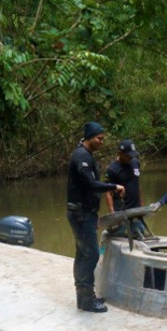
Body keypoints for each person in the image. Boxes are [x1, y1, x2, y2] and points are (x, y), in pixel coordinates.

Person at [66, 121, 125, 313]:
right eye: (99, 138)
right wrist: (113, 186)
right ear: (89, 137)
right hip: (81, 214)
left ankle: (83, 298)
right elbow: (91, 184)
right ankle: (87, 300)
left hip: (84, 213)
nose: (102, 142)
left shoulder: (85, 155)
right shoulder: (81, 156)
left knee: (83, 254)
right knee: (90, 254)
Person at [104, 139, 147, 239]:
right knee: (120, 236)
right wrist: (112, 213)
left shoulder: (136, 163)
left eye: (132, 155)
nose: (130, 158)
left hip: (136, 210)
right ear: (120, 153)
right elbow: (108, 193)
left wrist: (141, 202)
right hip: (121, 210)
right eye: (128, 156)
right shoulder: (112, 169)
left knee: (139, 233)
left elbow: (137, 183)